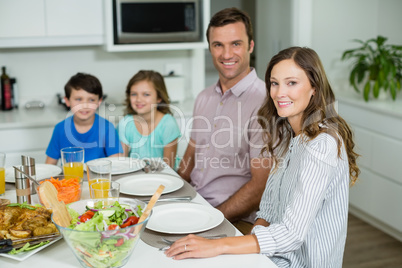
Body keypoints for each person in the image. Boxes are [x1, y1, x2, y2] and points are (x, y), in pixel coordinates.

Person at [165, 47, 360, 267]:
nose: (279, 93)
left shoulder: (323, 144)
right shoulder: (285, 133)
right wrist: (252, 253)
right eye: (274, 83)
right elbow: (268, 207)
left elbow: (291, 234)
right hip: (271, 256)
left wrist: (220, 245)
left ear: (314, 87)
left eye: (291, 83)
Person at [177, 7, 272, 235]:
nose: (226, 54)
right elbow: (192, 153)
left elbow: (260, 187)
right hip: (194, 205)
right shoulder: (204, 97)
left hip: (232, 218)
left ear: (250, 45)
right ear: (210, 48)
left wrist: (210, 218)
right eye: (218, 45)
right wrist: (173, 191)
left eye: (235, 44)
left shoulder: (265, 103)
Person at [46, 72, 123, 164]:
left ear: (99, 102)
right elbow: (49, 166)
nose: (85, 105)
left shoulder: (107, 128)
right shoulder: (60, 129)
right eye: (78, 99)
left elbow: (117, 164)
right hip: (70, 178)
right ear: (67, 101)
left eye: (91, 100)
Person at [117, 70, 181, 168]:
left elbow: (169, 168)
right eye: (134, 94)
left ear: (159, 98)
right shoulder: (125, 124)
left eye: (146, 94)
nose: (138, 99)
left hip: (164, 177)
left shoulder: (168, 124)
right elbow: (122, 163)